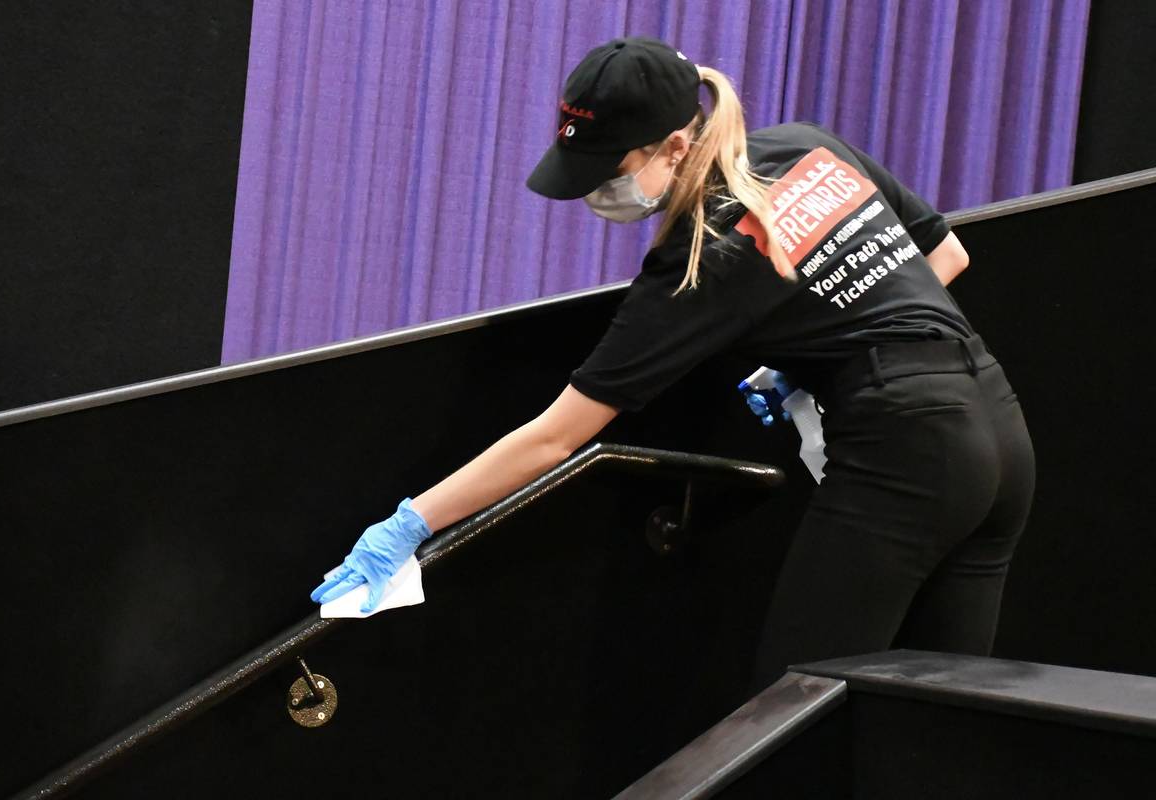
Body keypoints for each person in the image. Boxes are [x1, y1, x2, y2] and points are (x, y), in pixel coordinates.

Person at [310, 36, 1035, 695]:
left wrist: (409, 526)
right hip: (998, 430)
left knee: (795, 713)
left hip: (906, 448)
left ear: (678, 144)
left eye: (611, 169)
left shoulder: (699, 258)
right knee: (942, 718)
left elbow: (557, 436)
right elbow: (944, 255)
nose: (598, 191)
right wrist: (826, 342)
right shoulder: (810, 147)